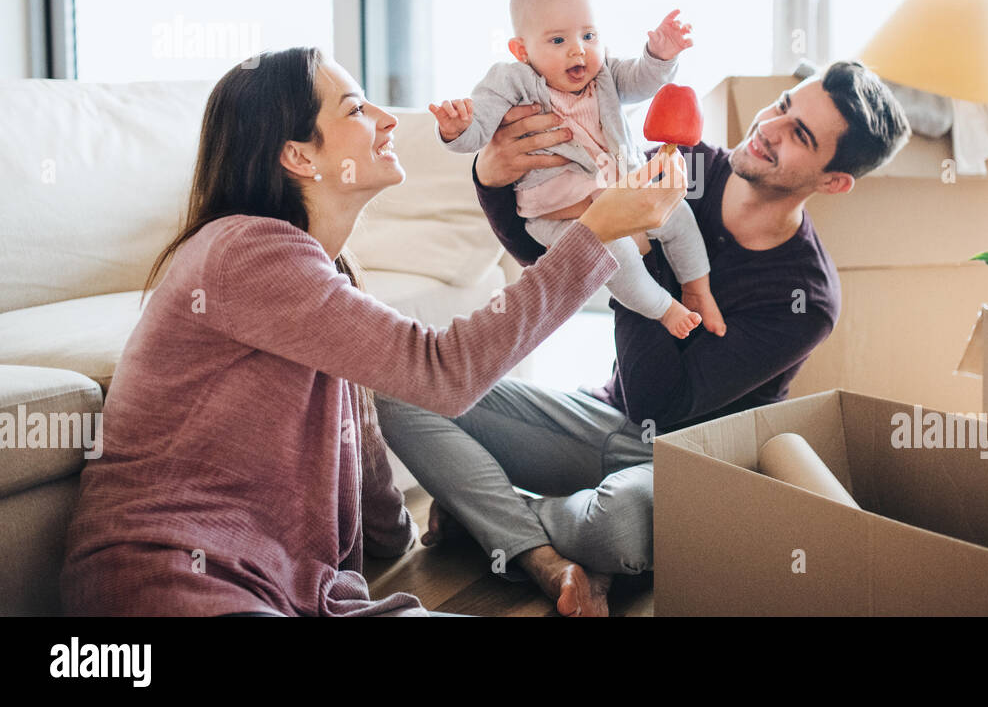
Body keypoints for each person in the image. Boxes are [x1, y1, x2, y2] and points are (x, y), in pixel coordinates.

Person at [59, 46, 686, 617]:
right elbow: (442, 372)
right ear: (299, 155)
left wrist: (400, 533)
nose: (388, 121)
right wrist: (593, 232)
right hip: (172, 578)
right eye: (357, 108)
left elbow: (358, 421)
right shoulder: (243, 251)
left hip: (297, 588)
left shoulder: (317, 267)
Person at [376, 60, 911, 616]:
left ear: (833, 181)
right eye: (782, 105)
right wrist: (489, 178)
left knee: (616, 525)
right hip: (599, 418)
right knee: (402, 387)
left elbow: (664, 402)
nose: (770, 128)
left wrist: (637, 245)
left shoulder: (805, 298)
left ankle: (482, 514)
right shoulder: (685, 166)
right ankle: (535, 551)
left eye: (800, 134)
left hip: (686, 457)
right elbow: (546, 255)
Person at [432, 0, 723, 338]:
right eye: (557, 40)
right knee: (616, 253)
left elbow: (641, 81)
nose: (578, 49)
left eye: (588, 35)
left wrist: (659, 56)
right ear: (522, 50)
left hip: (621, 193)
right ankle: (664, 309)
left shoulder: (603, 75)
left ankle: (698, 289)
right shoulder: (511, 81)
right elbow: (479, 128)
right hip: (559, 214)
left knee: (679, 214)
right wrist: (457, 128)